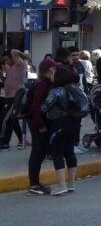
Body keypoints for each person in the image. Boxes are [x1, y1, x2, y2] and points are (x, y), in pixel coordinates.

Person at [42, 67, 85, 195]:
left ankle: (61, 185)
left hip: (59, 125)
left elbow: (44, 108)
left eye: (54, 74)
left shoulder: (56, 92)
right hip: (74, 124)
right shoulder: (75, 89)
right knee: (69, 152)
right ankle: (71, 183)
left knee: (57, 154)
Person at [25, 58, 58, 195]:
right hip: (38, 123)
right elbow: (35, 107)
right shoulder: (42, 85)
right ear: (49, 70)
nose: (56, 71)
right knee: (37, 153)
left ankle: (35, 183)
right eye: (54, 69)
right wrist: (41, 125)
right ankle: (34, 185)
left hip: (39, 123)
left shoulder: (45, 83)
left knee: (39, 153)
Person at [1, 50, 27, 149]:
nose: (6, 62)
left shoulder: (20, 64)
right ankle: (21, 139)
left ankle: (5, 142)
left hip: (16, 96)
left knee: (6, 119)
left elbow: (13, 51)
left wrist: (23, 55)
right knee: (13, 119)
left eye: (7, 59)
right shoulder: (11, 67)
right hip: (8, 96)